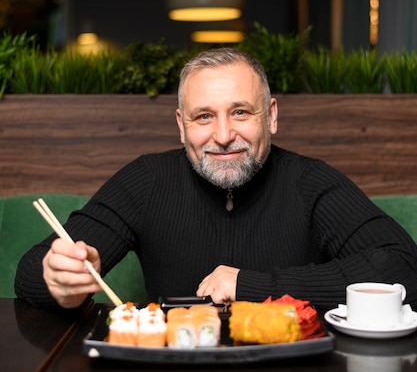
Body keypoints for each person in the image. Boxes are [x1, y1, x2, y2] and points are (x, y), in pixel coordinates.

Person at [15, 47, 417, 311]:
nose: (223, 136)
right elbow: (31, 272)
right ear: (181, 125)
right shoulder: (147, 179)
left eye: (241, 112)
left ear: (272, 116)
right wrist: (59, 281)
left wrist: (250, 287)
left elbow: (404, 269)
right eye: (204, 116)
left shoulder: (311, 183)